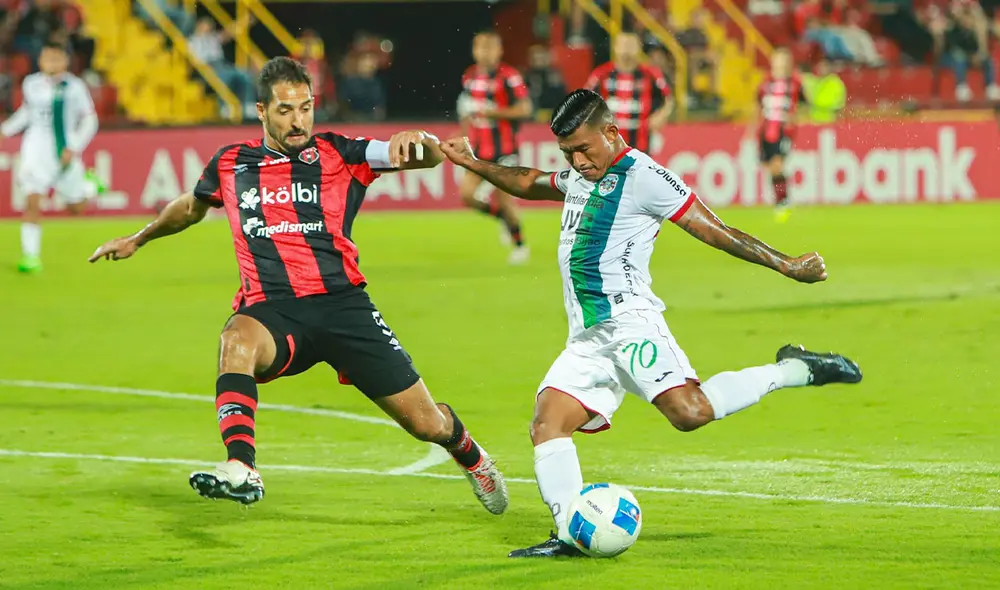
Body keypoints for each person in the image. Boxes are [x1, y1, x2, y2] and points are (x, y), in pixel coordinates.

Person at [438, 89, 862, 558]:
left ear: (612, 133)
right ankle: (568, 536)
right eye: (568, 153)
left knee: (690, 413)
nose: (577, 161)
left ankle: (793, 369)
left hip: (628, 323)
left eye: (583, 149)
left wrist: (786, 265)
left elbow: (715, 230)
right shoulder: (583, 175)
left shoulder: (644, 177)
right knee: (548, 423)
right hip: (587, 336)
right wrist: (473, 162)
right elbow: (529, 181)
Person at [87, 57, 508, 515]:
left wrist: (420, 141)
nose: (298, 120)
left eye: (306, 108)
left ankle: (471, 455)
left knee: (427, 424)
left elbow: (419, 154)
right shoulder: (231, 163)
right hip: (274, 311)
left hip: (343, 306)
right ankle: (242, 466)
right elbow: (190, 207)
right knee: (235, 339)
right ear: (262, 110)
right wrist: (138, 238)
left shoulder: (339, 152)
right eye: (286, 110)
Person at [1, 40, 100, 274]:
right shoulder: (31, 83)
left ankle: (90, 187)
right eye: (47, 57)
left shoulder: (75, 87)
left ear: (65, 61)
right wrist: (5, 130)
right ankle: (31, 257)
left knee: (76, 208)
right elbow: (27, 112)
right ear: (41, 59)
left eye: (56, 58)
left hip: (64, 148)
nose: (51, 62)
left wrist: (74, 146)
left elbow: (89, 120)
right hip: (36, 148)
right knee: (32, 199)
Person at [456, 30, 533, 265]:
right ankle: (501, 219)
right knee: (466, 196)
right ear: (474, 51)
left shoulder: (510, 77)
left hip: (505, 150)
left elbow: (525, 109)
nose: (486, 53)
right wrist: (462, 135)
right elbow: (468, 113)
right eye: (481, 48)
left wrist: (492, 112)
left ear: (499, 51)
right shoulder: (469, 77)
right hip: (479, 151)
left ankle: (520, 245)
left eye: (490, 48)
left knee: (505, 199)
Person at [586, 32, 673, 154]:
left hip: (641, 143)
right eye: (623, 45)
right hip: (608, 145)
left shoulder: (651, 74)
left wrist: (661, 116)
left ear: (638, 48)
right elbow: (583, 103)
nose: (627, 50)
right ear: (615, 47)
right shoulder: (601, 75)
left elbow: (668, 99)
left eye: (631, 45)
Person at [747, 48, 807, 223]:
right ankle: (781, 199)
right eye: (776, 60)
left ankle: (783, 202)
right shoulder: (765, 82)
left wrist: (794, 117)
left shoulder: (795, 82)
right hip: (766, 130)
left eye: (782, 60)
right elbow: (757, 105)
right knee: (769, 166)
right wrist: (751, 130)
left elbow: (805, 103)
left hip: (784, 130)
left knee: (776, 164)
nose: (779, 64)